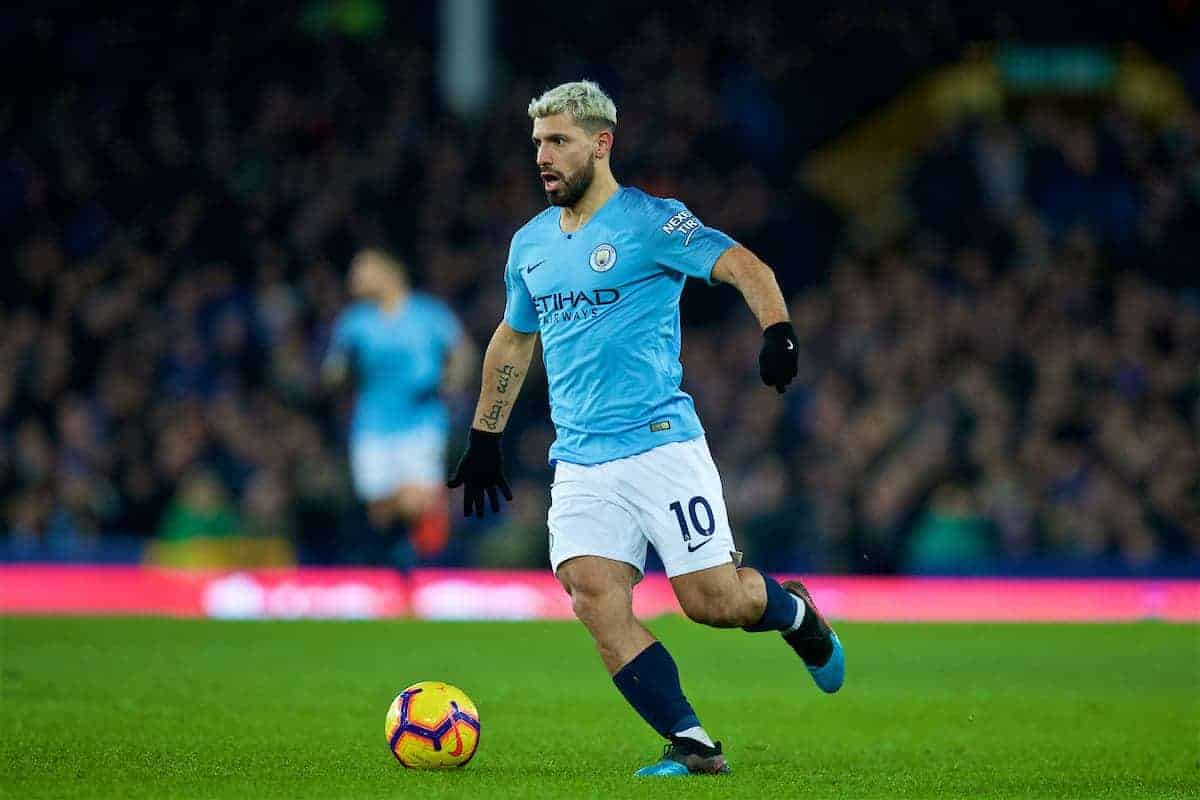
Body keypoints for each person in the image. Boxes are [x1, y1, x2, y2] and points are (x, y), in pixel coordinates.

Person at [447, 81, 844, 777]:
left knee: (711, 602)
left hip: (661, 444)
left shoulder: (653, 222)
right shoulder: (530, 245)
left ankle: (797, 616)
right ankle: (692, 743)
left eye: (558, 142)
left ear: (601, 145)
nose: (543, 156)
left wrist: (778, 330)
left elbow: (745, 265)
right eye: (538, 143)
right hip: (580, 458)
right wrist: (485, 437)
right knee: (593, 595)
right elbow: (513, 341)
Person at [325, 248, 476, 562]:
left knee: (417, 500)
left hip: (421, 420)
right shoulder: (354, 321)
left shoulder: (428, 313)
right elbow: (333, 371)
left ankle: (427, 557)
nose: (354, 279)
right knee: (379, 510)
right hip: (372, 423)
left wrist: (451, 382)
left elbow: (463, 353)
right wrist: (339, 374)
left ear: (388, 272)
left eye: (362, 270)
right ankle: (399, 560)